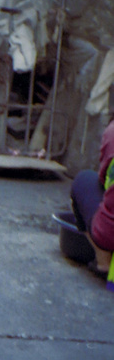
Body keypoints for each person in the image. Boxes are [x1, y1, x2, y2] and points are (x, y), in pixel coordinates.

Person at [71, 117, 114, 277]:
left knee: (84, 179)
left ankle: (104, 262)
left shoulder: (112, 131)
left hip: (109, 234)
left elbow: (104, 181)